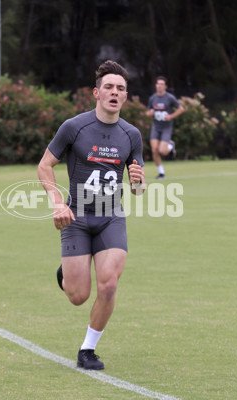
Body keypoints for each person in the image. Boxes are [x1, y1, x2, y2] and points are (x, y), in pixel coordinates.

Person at [37, 60, 145, 370]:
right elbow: (45, 165)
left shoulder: (132, 135)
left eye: (121, 88)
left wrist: (139, 182)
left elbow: (138, 188)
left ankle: (88, 349)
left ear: (126, 97)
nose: (115, 92)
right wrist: (57, 202)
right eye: (109, 87)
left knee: (109, 285)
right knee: (77, 296)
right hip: (77, 217)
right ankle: (69, 271)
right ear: (96, 93)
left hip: (111, 217)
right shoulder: (74, 127)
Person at [145, 76, 184, 179]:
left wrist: (171, 116)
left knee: (163, 151)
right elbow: (148, 112)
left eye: (162, 84)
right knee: (154, 150)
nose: (159, 86)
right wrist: (150, 113)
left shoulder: (170, 97)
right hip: (156, 127)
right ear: (155, 85)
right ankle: (161, 173)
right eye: (158, 84)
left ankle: (171, 145)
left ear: (165, 86)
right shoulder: (152, 98)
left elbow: (181, 109)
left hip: (166, 127)